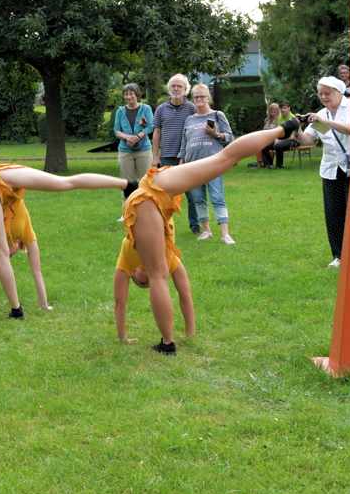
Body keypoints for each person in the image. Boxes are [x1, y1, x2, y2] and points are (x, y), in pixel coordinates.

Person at [122, 116, 302, 351]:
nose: (141, 275)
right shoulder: (150, 252)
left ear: (133, 272)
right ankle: (283, 129)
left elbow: (121, 299)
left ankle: (167, 342)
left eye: (139, 280)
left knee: (158, 277)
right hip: (154, 188)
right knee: (225, 158)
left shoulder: (127, 259)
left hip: (148, 192)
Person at [0, 164, 127, 318]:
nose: (11, 256)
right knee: (65, 183)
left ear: (19, 244)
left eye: (12, 255)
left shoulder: (18, 232)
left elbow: (30, 271)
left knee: (64, 182)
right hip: (2, 183)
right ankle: (127, 184)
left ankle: (127, 184)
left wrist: (44, 305)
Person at [293, 77, 350, 267]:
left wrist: (325, 121)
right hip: (331, 169)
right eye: (320, 94)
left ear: (339, 92)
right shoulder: (321, 113)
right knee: (334, 214)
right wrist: (297, 129)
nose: (323, 97)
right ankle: (339, 256)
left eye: (327, 93)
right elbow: (306, 140)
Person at [178, 83, 235, 243]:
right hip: (192, 165)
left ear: (208, 98)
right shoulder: (189, 119)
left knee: (217, 197)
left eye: (202, 96)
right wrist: (181, 163)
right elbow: (184, 143)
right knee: (198, 198)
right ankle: (206, 230)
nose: (199, 99)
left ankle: (225, 234)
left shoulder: (218, 115)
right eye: (196, 97)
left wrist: (216, 134)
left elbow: (230, 137)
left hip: (213, 164)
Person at [0, 189, 46, 311]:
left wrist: (44, 305)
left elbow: (37, 272)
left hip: (0, 199)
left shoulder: (23, 233)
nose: (9, 256)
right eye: (12, 254)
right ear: (18, 244)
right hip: (3, 196)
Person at [151, 74, 200, 234]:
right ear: (169, 88)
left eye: (179, 86)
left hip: (187, 158)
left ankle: (195, 225)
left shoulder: (192, 108)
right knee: (165, 194)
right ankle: (163, 225)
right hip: (167, 156)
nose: (176, 89)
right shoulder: (161, 109)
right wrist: (155, 156)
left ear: (186, 89)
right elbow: (156, 133)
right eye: (173, 86)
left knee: (192, 194)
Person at [112, 83, 153, 182]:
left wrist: (137, 137)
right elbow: (117, 131)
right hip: (125, 151)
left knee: (145, 182)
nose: (129, 96)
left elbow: (150, 127)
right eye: (126, 94)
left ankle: (144, 198)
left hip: (143, 150)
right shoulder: (120, 112)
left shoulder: (145, 109)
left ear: (137, 94)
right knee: (127, 183)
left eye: (131, 93)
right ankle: (127, 198)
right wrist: (128, 137)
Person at [253, 103, 280, 168]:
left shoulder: (279, 119)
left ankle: (268, 164)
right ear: (269, 110)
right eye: (271, 109)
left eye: (274, 109)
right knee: (258, 145)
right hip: (265, 138)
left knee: (265, 145)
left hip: (274, 138)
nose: (273, 110)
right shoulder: (267, 119)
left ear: (278, 111)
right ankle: (260, 164)